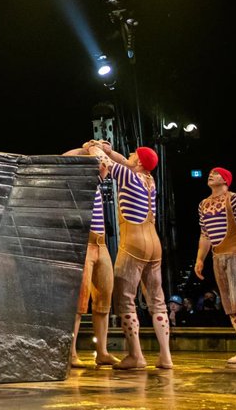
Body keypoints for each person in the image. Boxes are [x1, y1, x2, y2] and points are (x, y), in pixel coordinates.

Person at [83, 140, 173, 370]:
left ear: (139, 162)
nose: (129, 155)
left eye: (134, 154)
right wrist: (110, 150)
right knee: (158, 302)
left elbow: (103, 160)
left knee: (125, 299)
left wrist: (93, 145)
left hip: (134, 244)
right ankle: (165, 357)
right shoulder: (149, 180)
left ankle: (136, 355)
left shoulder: (128, 176)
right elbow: (123, 161)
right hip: (154, 244)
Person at [60, 142, 117, 367]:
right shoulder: (75, 183)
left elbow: (108, 163)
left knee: (104, 299)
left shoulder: (98, 183)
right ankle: (71, 352)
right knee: (79, 301)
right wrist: (88, 147)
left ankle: (102, 351)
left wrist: (98, 150)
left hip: (101, 245)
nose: (102, 167)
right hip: (84, 245)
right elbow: (64, 157)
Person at [193, 166, 236, 363]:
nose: (211, 174)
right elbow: (205, 235)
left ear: (226, 179)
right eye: (210, 173)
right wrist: (200, 259)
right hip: (217, 257)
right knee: (230, 306)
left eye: (216, 173)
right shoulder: (203, 204)